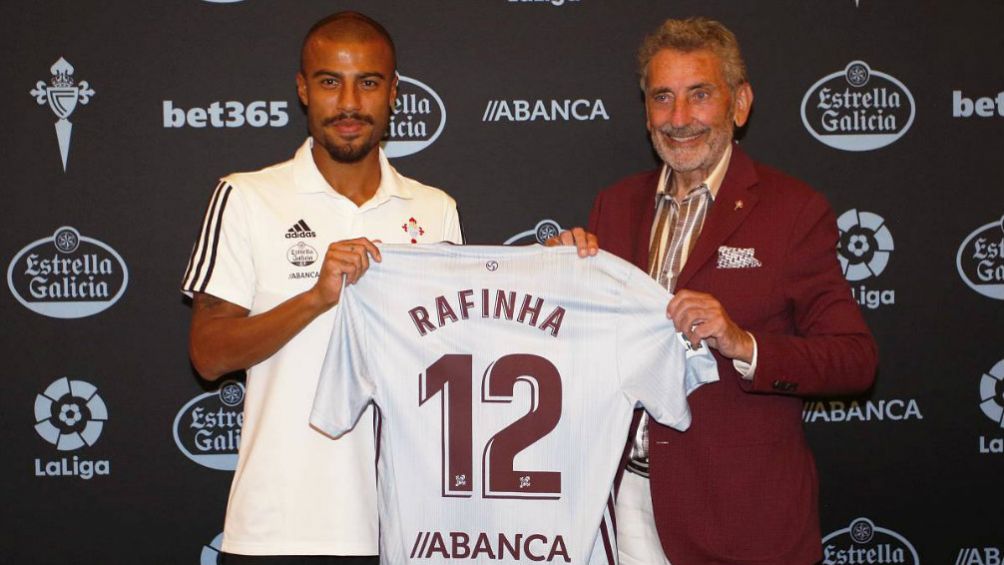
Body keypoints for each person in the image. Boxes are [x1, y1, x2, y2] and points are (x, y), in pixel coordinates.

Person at [587, 17, 878, 565]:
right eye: (662, 98)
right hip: (620, 507)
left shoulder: (793, 212)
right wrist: (563, 277)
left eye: (700, 96)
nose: (678, 119)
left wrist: (744, 343)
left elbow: (855, 360)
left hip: (739, 521)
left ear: (739, 104)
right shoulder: (614, 205)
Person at [180, 12, 462, 564]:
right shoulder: (247, 197)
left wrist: (554, 273)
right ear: (304, 89)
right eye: (331, 81)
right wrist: (316, 297)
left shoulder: (435, 209)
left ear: (395, 93)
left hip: (410, 529)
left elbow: (459, 359)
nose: (350, 103)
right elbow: (208, 355)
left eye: (369, 82)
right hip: (280, 530)